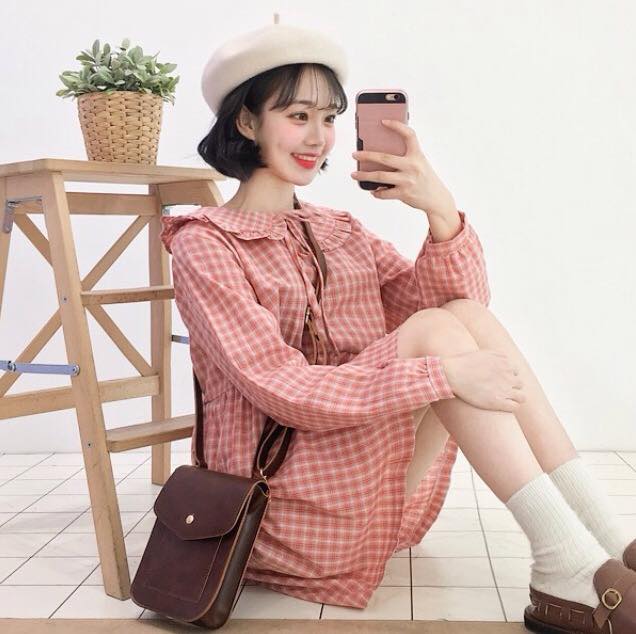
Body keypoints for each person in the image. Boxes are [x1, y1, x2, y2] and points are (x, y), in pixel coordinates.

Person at [159, 19, 636, 632]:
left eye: (329, 118)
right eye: (298, 116)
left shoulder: (338, 230)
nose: (318, 137)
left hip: (373, 491)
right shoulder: (205, 245)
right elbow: (280, 388)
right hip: (283, 511)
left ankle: (606, 542)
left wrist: (438, 207)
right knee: (436, 334)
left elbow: (463, 309)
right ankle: (565, 562)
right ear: (247, 123)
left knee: (461, 318)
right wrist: (439, 375)